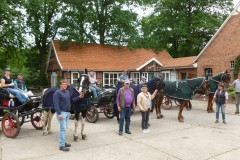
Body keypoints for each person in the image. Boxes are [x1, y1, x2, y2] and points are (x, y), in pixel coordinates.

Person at [53, 79, 71, 151]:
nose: (65, 85)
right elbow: (56, 104)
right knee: (63, 128)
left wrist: (79, 97)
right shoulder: (57, 93)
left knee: (64, 128)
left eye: (66, 84)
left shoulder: (67, 92)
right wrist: (59, 113)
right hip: (62, 113)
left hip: (67, 112)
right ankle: (62, 145)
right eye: (63, 84)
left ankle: (63, 142)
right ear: (60, 85)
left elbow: (70, 101)